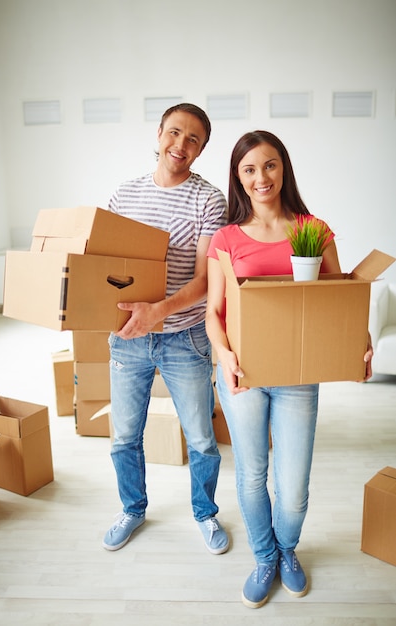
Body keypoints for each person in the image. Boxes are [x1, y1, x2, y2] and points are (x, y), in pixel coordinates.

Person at [205, 130, 373, 608]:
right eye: (250, 169)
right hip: (244, 374)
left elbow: (338, 300)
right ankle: (264, 557)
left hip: (297, 377)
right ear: (238, 178)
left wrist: (357, 342)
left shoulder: (313, 229)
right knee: (252, 473)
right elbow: (212, 311)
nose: (262, 177)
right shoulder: (226, 238)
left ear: (285, 168)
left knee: (293, 485)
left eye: (271, 165)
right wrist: (225, 355)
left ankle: (287, 549)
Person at [103, 103, 229, 556]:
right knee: (123, 435)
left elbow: (203, 280)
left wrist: (158, 311)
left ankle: (205, 513)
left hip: (185, 336)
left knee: (200, 436)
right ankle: (132, 509)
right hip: (128, 336)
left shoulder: (208, 200)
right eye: (174, 132)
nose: (180, 145)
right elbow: (107, 266)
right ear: (158, 134)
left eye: (193, 139)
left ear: (201, 149)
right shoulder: (124, 194)